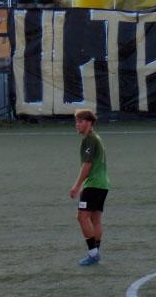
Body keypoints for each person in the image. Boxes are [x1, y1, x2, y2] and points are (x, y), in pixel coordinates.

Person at [68, 108, 110, 266]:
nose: (77, 124)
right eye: (76, 121)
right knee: (95, 220)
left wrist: (77, 186)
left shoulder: (89, 140)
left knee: (82, 217)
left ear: (89, 123)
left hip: (93, 184)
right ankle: (96, 252)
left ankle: (93, 254)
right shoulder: (97, 138)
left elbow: (87, 165)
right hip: (103, 184)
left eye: (80, 121)